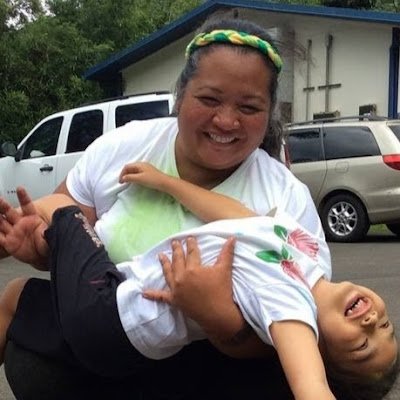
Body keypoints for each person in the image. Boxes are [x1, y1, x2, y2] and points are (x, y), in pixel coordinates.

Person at [0, 15, 343, 400]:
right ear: (180, 95)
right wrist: (40, 247)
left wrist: (220, 320)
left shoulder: (285, 198)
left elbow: (299, 329)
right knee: (23, 304)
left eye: (249, 107)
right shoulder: (124, 147)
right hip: (105, 337)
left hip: (209, 371)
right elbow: (70, 237)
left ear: (270, 112)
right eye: (209, 99)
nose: (226, 120)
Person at [0, 163, 398, 400]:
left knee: (67, 216)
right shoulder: (306, 251)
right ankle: (35, 237)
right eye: (386, 328)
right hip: (121, 294)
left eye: (363, 347)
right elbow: (239, 216)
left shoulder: (291, 310)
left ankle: (46, 228)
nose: (370, 324)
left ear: (318, 347)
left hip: (106, 323)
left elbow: (310, 386)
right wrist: (166, 183)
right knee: (21, 289)